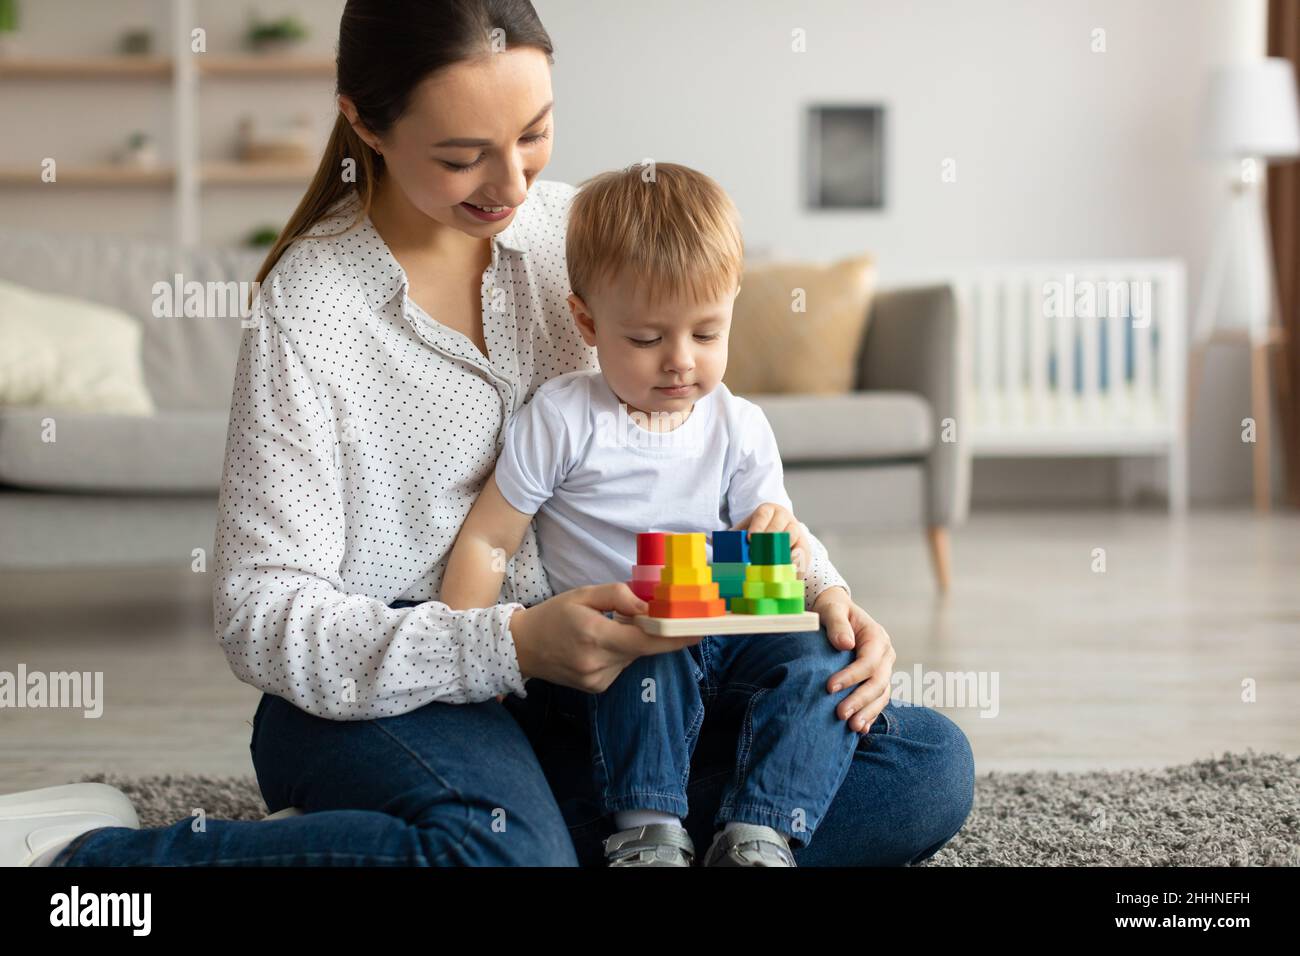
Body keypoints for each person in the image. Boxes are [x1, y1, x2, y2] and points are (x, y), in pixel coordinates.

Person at [1, 0, 973, 867]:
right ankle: (96, 851)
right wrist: (505, 645)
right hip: (392, 693)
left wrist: (828, 600)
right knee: (499, 852)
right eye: (463, 155)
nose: (510, 182)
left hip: (612, 685)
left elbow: (713, 453)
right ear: (364, 122)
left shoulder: (583, 236)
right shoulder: (311, 306)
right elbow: (259, 614)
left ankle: (608, 828)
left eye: (536, 133)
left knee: (924, 762)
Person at [440, 162, 864, 866]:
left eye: (706, 334)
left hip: (724, 631)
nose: (679, 363)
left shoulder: (739, 425)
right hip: (611, 644)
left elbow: (777, 530)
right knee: (650, 645)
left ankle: (760, 830)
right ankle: (647, 828)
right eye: (645, 339)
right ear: (588, 322)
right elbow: (489, 535)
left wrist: (793, 553)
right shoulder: (565, 417)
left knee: (824, 654)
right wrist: (470, 659)